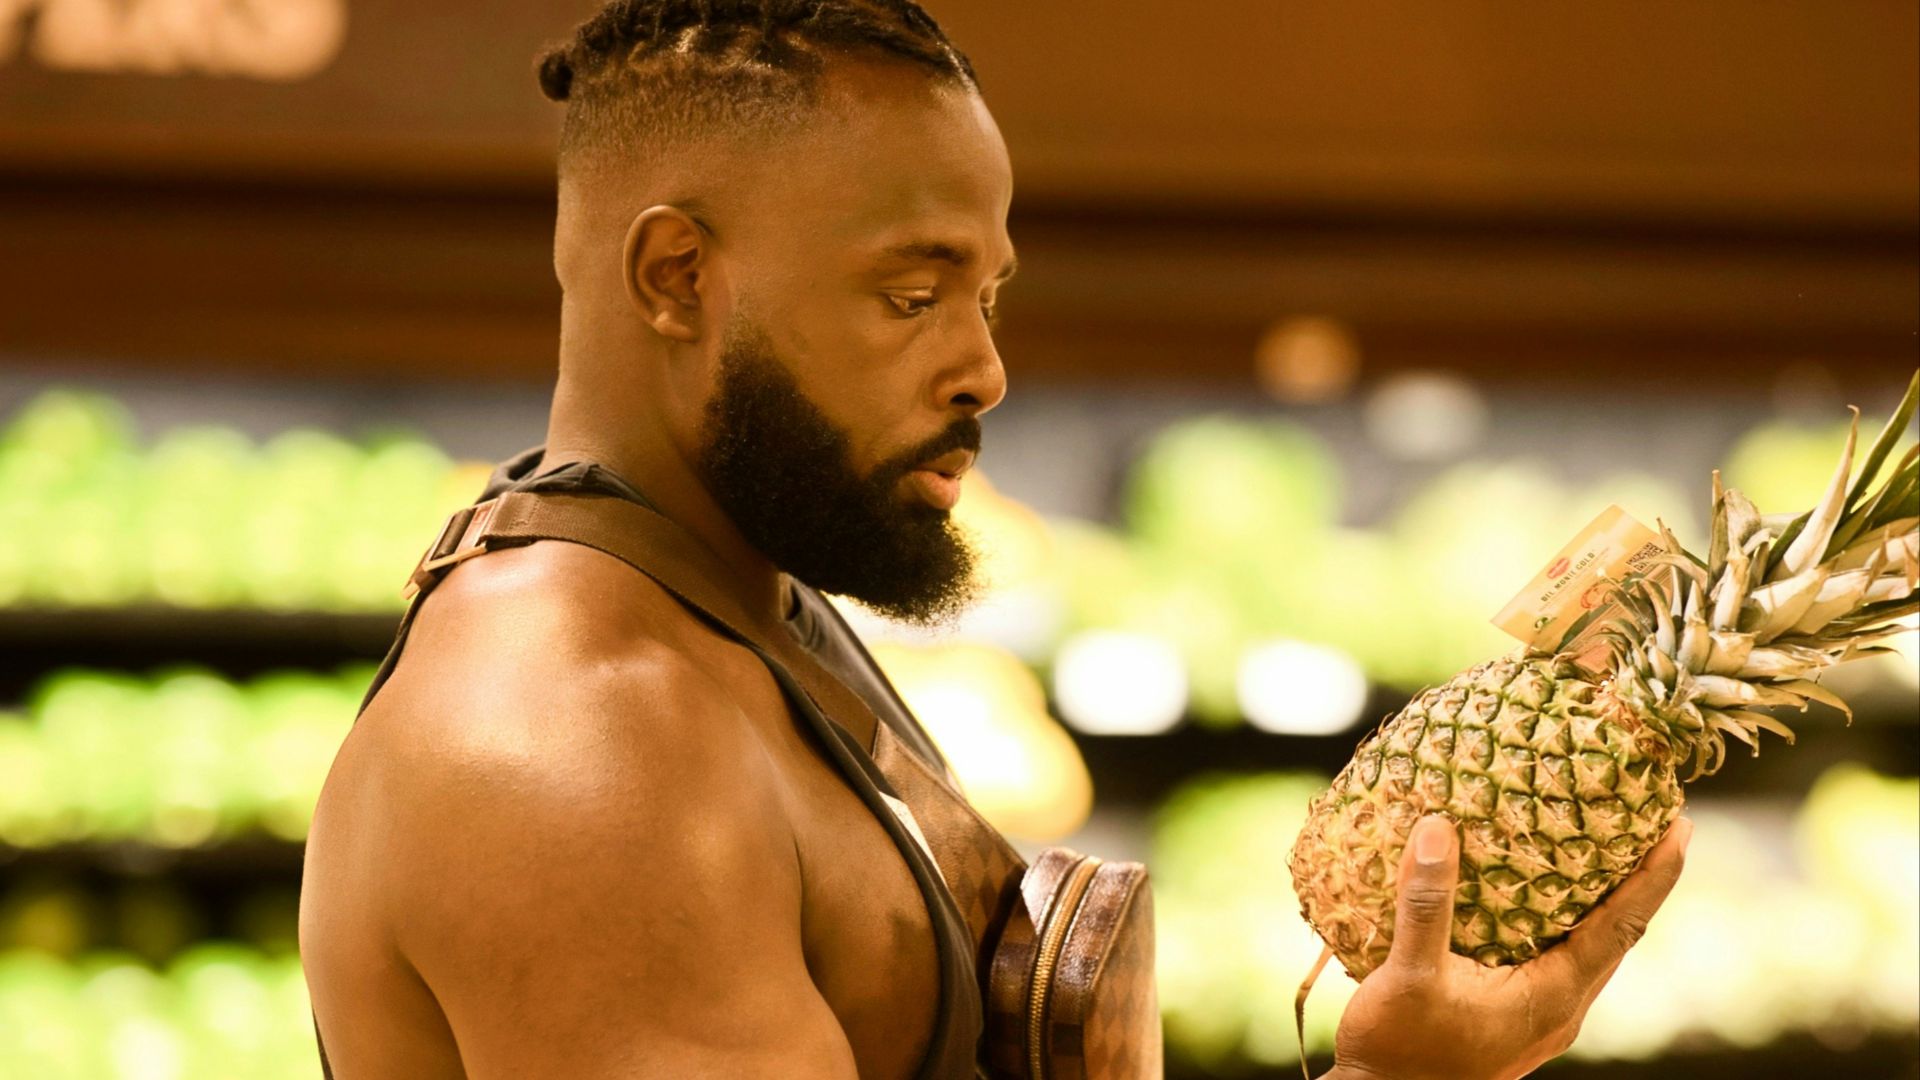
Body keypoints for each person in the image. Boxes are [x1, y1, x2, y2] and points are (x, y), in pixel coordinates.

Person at [296, 3, 1690, 1077]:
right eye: (913, 292)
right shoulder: (568, 743)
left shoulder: (741, 604)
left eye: (990, 296)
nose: (985, 368)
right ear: (677, 278)